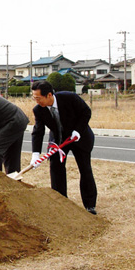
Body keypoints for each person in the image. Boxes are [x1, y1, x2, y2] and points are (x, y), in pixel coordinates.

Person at [30, 80, 97, 215]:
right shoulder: (38, 110)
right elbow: (38, 131)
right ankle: (60, 202)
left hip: (79, 137)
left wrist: (77, 130)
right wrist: (35, 154)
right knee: (56, 167)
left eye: (38, 98)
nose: (36, 101)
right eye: (34, 98)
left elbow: (86, 112)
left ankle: (90, 205)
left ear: (49, 95)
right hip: (58, 140)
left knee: (85, 169)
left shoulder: (69, 97)